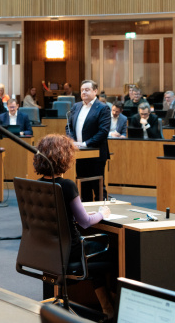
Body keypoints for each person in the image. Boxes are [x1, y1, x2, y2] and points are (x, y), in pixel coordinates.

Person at [33, 134, 114, 317]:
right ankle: (109, 308)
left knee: (95, 257)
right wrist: (102, 214)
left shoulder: (37, 186)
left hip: (48, 250)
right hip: (72, 250)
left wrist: (87, 215)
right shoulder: (67, 186)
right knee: (110, 251)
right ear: (64, 158)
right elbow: (84, 223)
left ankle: (107, 308)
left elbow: (64, 216)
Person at [66, 80, 112, 201]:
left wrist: (85, 143)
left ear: (95, 91)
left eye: (87, 90)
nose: (84, 92)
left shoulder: (103, 108)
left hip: (96, 154)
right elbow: (69, 127)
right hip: (80, 154)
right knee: (83, 186)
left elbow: (103, 131)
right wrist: (72, 141)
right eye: (82, 90)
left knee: (98, 187)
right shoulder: (76, 106)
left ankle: (102, 215)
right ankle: (86, 216)